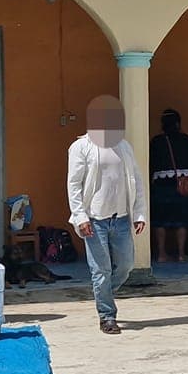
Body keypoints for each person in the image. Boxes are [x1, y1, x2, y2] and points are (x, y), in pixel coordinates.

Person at [65, 96, 148, 335]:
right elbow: (74, 184)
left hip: (121, 218)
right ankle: (107, 315)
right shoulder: (81, 147)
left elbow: (136, 181)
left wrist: (139, 213)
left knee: (126, 265)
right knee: (100, 270)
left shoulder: (123, 146)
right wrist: (81, 217)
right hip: (94, 220)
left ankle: (104, 293)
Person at [150, 110, 188, 264]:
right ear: (178, 123)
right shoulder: (186, 140)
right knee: (181, 220)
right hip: (182, 185)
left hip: (161, 184)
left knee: (160, 220)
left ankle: (162, 253)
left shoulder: (157, 141)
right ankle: (182, 254)